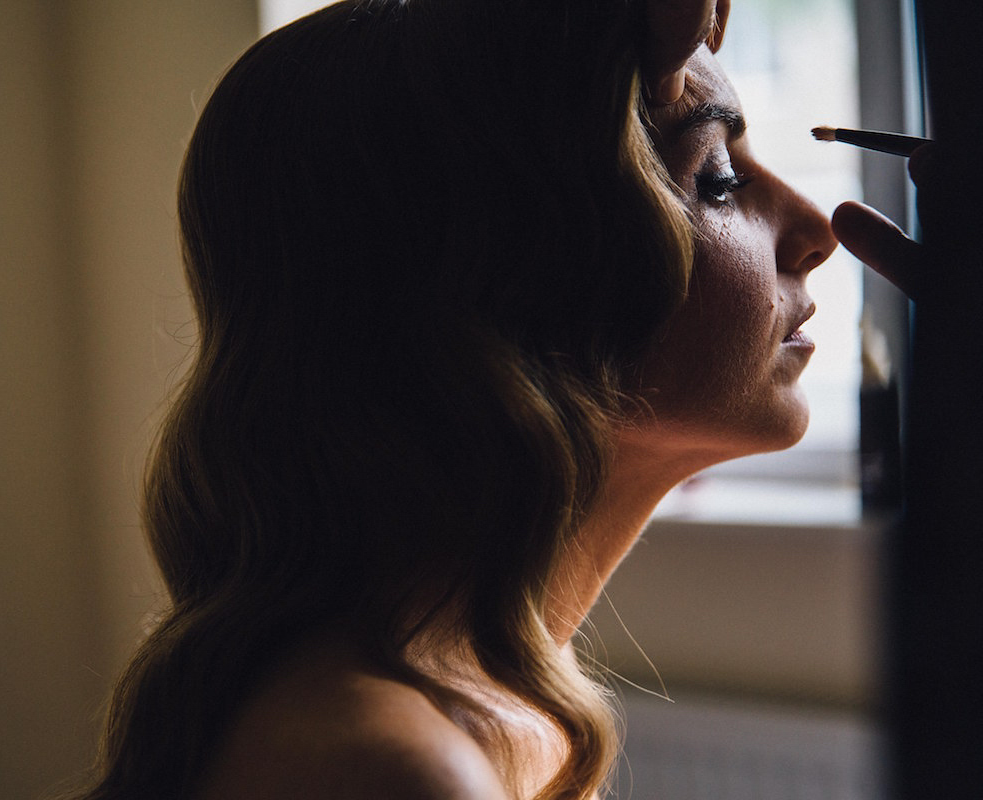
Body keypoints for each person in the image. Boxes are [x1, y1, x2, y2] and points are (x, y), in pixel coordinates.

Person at [68, 1, 833, 798]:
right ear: (514, 284)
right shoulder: (388, 769)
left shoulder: (503, 700)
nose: (818, 228)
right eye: (717, 179)